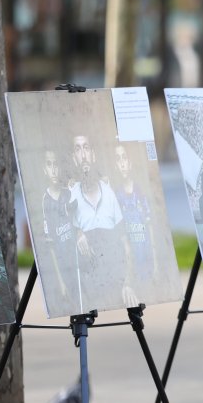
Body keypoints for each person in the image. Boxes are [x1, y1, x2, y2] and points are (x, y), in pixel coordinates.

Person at [68, 133, 138, 311]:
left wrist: (128, 283)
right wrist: (78, 233)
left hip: (114, 282)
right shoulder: (70, 195)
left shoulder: (109, 193)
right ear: (74, 158)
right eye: (78, 149)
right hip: (88, 291)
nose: (83, 154)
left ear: (93, 154)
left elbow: (126, 244)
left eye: (86, 148)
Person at [112, 144, 159, 286]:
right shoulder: (117, 196)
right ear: (115, 165)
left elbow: (150, 229)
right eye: (118, 159)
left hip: (147, 256)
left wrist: (156, 263)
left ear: (130, 163)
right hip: (132, 261)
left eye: (124, 158)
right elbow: (121, 235)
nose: (122, 163)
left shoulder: (140, 192)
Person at [40, 149, 78, 307]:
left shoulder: (68, 193)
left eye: (56, 164)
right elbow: (51, 247)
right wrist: (60, 281)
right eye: (49, 165)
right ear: (45, 170)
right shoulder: (45, 201)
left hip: (78, 262)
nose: (53, 169)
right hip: (63, 266)